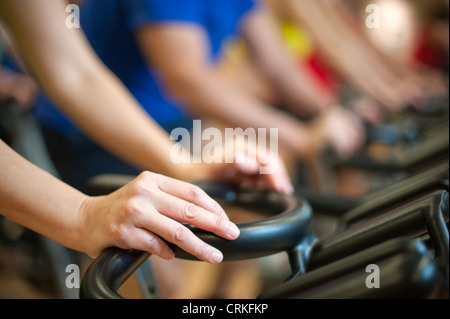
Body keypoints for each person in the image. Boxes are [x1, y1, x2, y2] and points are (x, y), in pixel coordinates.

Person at [0, 0, 293, 264]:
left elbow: (74, 73)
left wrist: (188, 168)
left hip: (150, 121)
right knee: (152, 267)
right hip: (74, 137)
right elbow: (188, 79)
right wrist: (82, 215)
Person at [33, 0, 365, 192]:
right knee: (161, 275)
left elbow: (278, 65)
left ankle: (221, 295)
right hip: (90, 130)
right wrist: (303, 137)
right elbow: (188, 81)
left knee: (258, 183)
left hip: (169, 117)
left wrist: (333, 110)